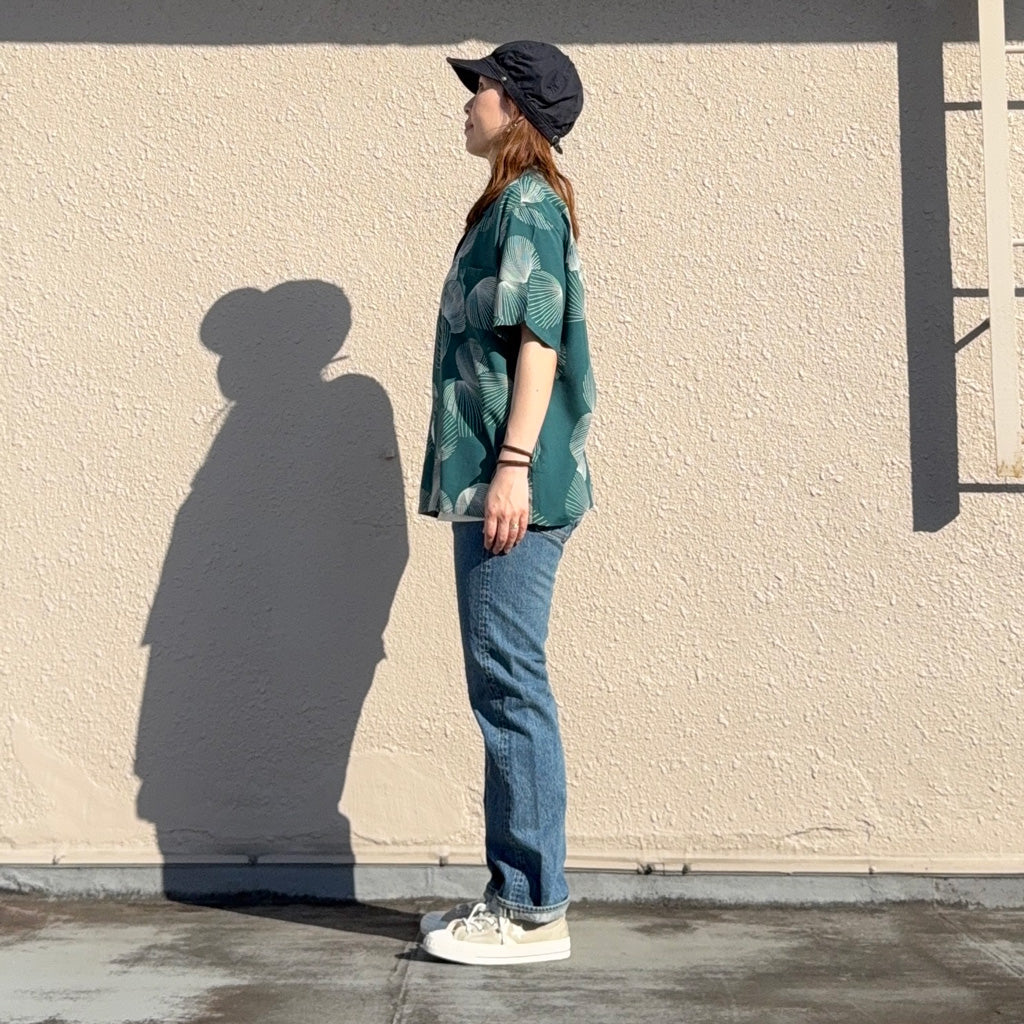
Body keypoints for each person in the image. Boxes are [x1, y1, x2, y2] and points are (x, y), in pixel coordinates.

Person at [417, 40, 596, 966]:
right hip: (496, 481)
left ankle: (532, 911)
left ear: (515, 107)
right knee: (500, 684)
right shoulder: (508, 204)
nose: (467, 101)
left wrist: (514, 466)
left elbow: (539, 343)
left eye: (480, 88)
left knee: (510, 686)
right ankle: (513, 893)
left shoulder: (527, 205)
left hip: (511, 485)